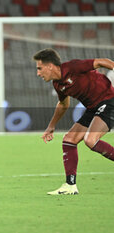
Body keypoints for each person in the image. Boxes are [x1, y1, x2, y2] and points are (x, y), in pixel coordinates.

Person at [33, 48, 114, 195]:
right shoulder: (58, 85)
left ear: (50, 66)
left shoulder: (73, 67)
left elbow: (103, 62)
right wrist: (51, 126)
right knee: (69, 139)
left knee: (90, 139)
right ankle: (70, 186)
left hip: (109, 101)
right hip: (93, 108)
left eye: (40, 68)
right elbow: (63, 105)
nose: (38, 73)